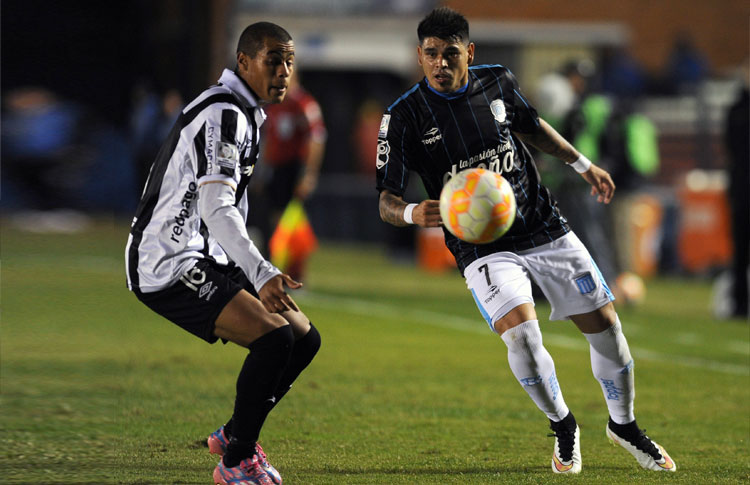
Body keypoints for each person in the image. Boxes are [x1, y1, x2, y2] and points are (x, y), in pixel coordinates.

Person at [375, 7, 675, 475]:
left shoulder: (496, 81)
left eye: (450, 54)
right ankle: (563, 423)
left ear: (469, 52)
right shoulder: (402, 118)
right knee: (523, 336)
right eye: (431, 55)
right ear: (419, 56)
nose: (440, 64)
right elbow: (386, 201)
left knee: (610, 333)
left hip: (542, 225)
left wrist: (583, 165)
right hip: (480, 246)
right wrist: (414, 212)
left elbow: (533, 130)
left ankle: (624, 425)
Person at [125, 22, 321, 485]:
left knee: (303, 338)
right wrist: (261, 269)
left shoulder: (246, 111)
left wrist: (246, 267)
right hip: (167, 260)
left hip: (206, 252)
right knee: (274, 340)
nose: (284, 71)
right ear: (244, 62)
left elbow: (231, 202)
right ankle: (236, 460)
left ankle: (235, 432)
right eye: (274, 59)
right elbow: (215, 205)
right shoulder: (223, 113)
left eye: (290, 61)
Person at [252, 73, 326, 281]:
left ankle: (295, 274)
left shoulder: (303, 103)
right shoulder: (273, 104)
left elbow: (317, 138)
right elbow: (267, 141)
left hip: (293, 169)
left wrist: (309, 174)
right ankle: (274, 271)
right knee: (272, 221)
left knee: (293, 224)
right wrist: (261, 172)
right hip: (275, 170)